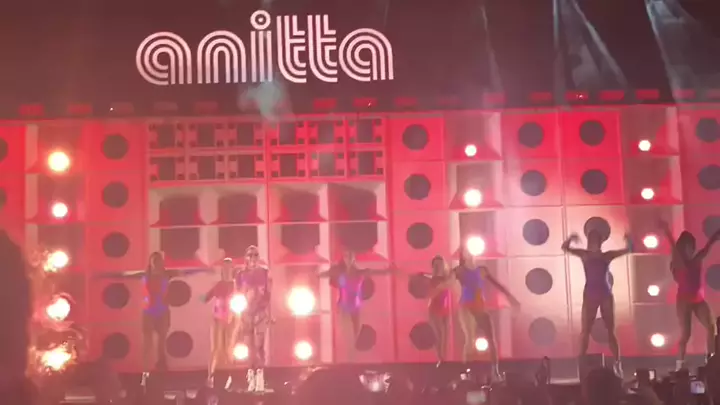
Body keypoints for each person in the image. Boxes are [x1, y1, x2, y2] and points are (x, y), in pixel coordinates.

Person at [561, 230, 631, 377]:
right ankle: (581, 365)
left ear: (600, 243)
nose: (593, 244)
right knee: (585, 330)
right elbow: (565, 248)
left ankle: (617, 363)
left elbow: (628, 250)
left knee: (610, 330)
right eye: (591, 241)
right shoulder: (585, 255)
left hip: (604, 294)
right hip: (590, 294)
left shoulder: (606, 256)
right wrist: (570, 238)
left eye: (595, 241)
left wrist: (628, 239)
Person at [658, 220, 720, 368]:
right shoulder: (678, 262)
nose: (690, 250)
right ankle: (679, 364)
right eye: (687, 247)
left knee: (711, 327)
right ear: (682, 248)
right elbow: (673, 247)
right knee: (686, 334)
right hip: (684, 301)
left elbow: (707, 248)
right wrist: (667, 231)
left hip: (698, 299)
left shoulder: (696, 259)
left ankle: (711, 358)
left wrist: (715, 237)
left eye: (692, 246)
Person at [454, 250, 520, 380]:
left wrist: (510, 298)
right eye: (467, 252)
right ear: (464, 256)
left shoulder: (482, 270)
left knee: (491, 338)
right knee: (469, 338)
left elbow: (497, 285)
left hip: (480, 307)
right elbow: (446, 279)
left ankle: (495, 371)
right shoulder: (459, 270)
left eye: (471, 252)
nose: (470, 254)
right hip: (466, 306)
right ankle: (466, 372)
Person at [319, 250, 393, 362]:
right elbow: (324, 274)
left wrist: (388, 271)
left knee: (356, 333)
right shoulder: (339, 272)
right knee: (347, 333)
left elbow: (376, 272)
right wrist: (318, 274)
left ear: (354, 258)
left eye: (350, 256)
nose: (348, 259)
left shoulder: (360, 272)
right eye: (346, 256)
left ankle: (352, 357)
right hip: (344, 306)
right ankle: (349, 357)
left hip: (355, 306)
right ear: (344, 258)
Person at [235, 246, 272, 392]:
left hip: (260, 313)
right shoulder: (240, 274)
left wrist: (267, 312)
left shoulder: (265, 273)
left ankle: (260, 377)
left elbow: (268, 294)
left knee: (259, 345)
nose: (252, 258)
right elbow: (237, 294)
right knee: (249, 346)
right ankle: (251, 377)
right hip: (246, 313)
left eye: (255, 255)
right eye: (250, 255)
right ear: (246, 257)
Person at [201, 258, 236, 388]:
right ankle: (210, 377)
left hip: (232, 319)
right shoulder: (218, 285)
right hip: (217, 319)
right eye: (224, 268)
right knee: (215, 349)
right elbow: (204, 298)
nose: (227, 270)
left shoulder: (236, 285)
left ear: (232, 269)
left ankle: (229, 377)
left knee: (228, 349)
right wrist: (201, 295)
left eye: (229, 267)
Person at [421, 256, 454, 362]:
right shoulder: (431, 279)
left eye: (440, 264)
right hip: (435, 308)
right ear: (433, 266)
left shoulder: (447, 277)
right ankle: (440, 358)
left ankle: (443, 358)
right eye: (436, 264)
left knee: (446, 334)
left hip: (445, 308)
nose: (438, 266)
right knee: (439, 333)